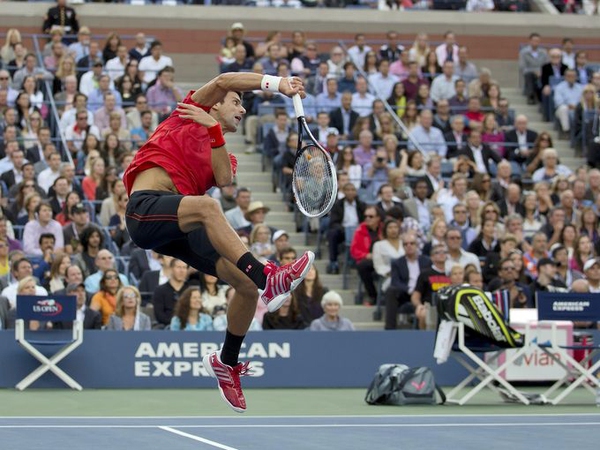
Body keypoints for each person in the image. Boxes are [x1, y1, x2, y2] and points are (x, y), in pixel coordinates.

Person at [152, 258, 189, 328]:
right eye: (178, 267)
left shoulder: (190, 289)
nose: (182, 271)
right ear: (171, 269)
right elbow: (159, 315)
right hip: (167, 328)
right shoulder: (160, 290)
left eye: (184, 267)